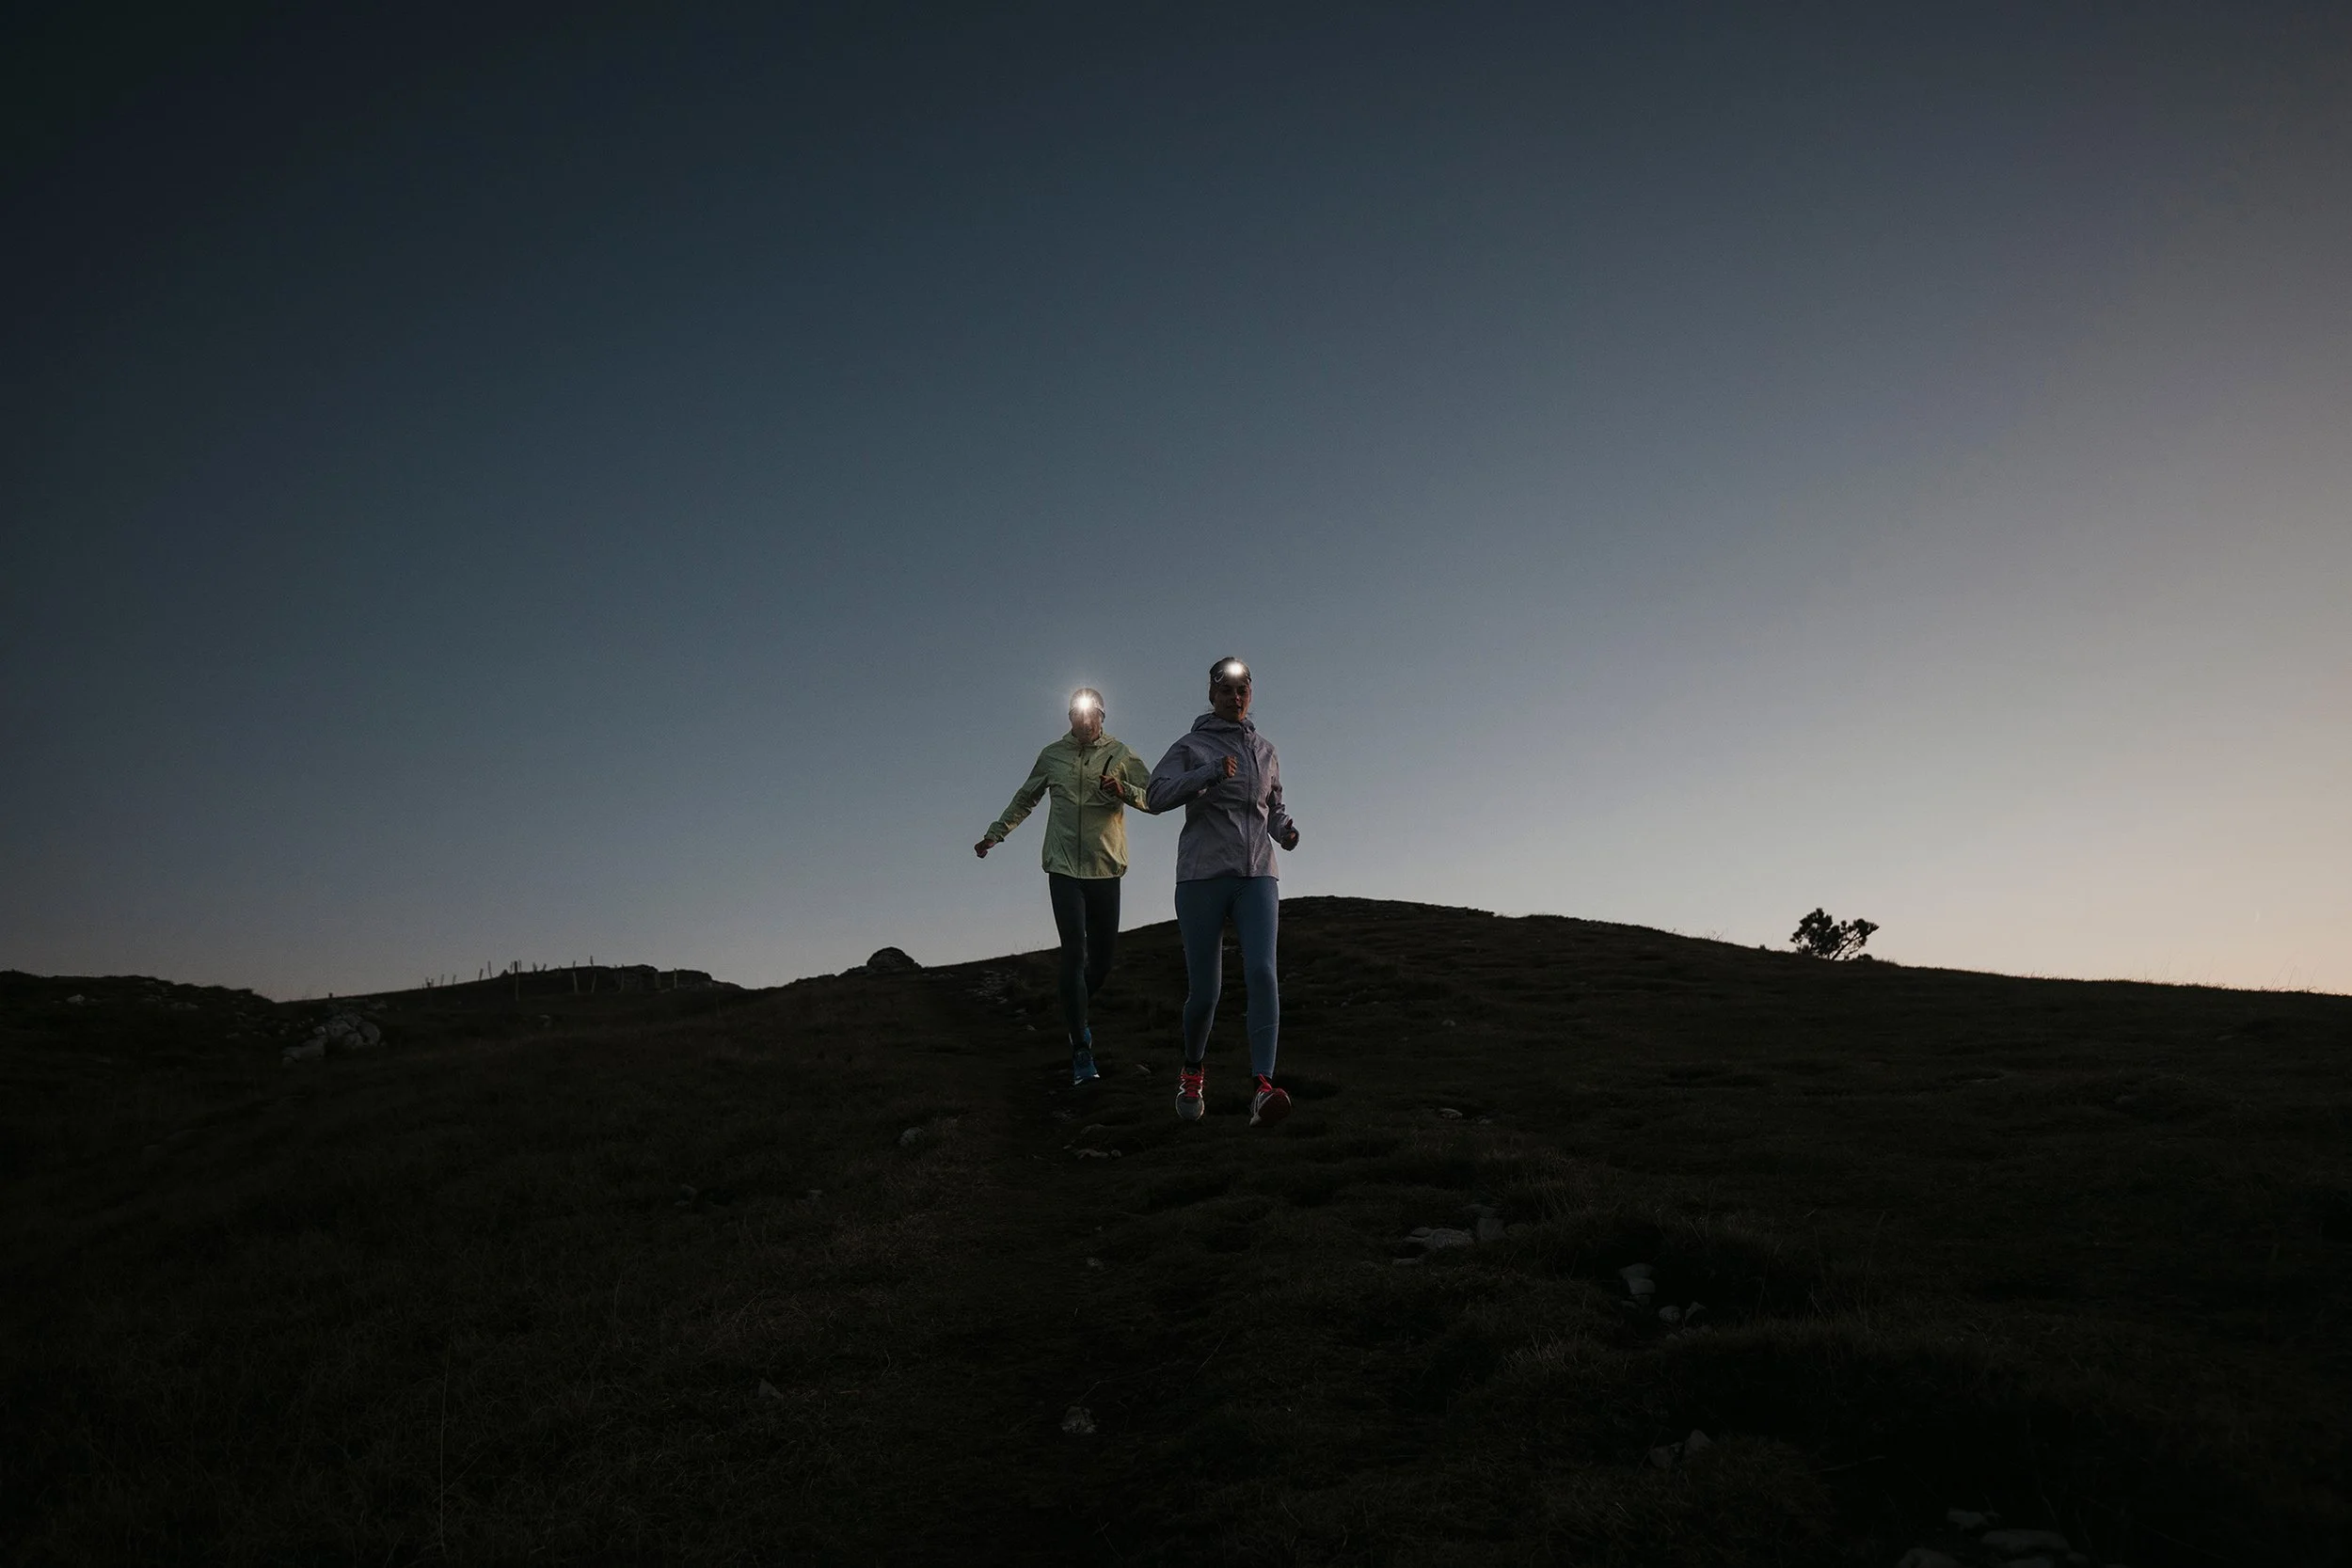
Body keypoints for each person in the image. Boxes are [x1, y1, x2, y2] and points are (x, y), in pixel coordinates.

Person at [1145, 657, 1301, 1126]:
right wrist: (1208, 773)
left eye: (1243, 690)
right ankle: (1193, 1070)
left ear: (1250, 695)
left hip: (1258, 875)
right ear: (1212, 695)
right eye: (1226, 690)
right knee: (1206, 992)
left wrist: (1284, 829)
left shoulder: (1266, 750)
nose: (1236, 698)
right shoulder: (1190, 746)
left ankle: (1263, 1088)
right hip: (1202, 876)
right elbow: (1155, 796)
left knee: (1263, 972)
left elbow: (1272, 806)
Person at [976, 688, 1155, 1084]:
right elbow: (1026, 798)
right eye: (1077, 713)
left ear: (1102, 716)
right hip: (1063, 869)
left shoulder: (1122, 754)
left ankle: (1073, 1010)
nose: (1085, 720)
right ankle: (1080, 1048)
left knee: (1101, 963)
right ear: (1070, 717)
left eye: (1091, 714)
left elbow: (1154, 796)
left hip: (1105, 868)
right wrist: (995, 834)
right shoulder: (1052, 755)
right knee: (1074, 951)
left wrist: (1123, 790)